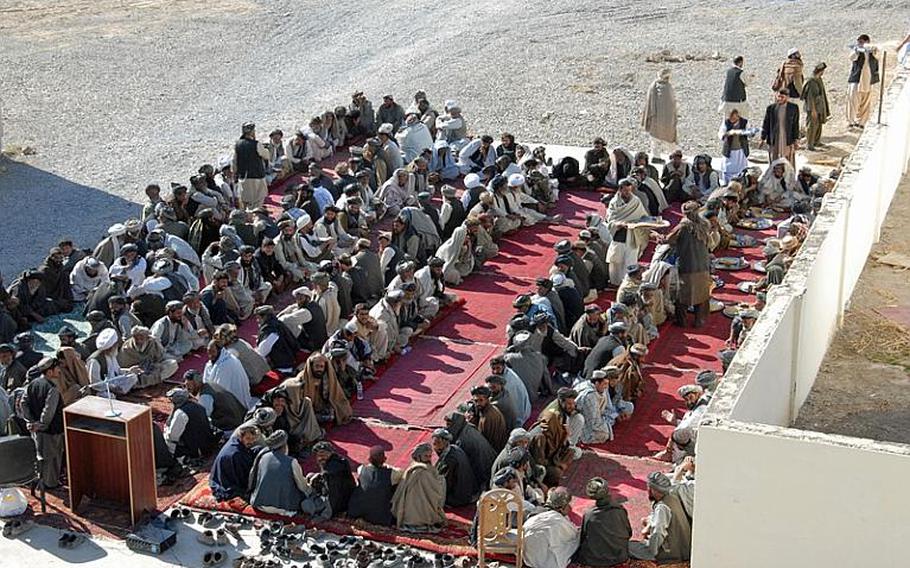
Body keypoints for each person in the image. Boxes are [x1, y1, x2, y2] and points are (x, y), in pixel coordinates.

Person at [248, 430, 327, 518]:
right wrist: (312, 489)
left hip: (260, 505)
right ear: (285, 446)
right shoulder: (291, 462)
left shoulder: (264, 456)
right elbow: (302, 487)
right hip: (283, 508)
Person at [665, 202, 712, 327]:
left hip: (687, 265)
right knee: (701, 294)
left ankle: (682, 321)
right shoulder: (705, 224)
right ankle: (699, 320)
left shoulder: (683, 226)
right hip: (703, 264)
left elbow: (669, 239)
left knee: (683, 294)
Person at [629, 472, 692, 563]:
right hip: (684, 548)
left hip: (672, 553)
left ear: (653, 490)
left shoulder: (662, 508)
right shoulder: (673, 496)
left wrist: (651, 552)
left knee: (628, 547)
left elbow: (658, 533)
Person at [22, 357, 65, 489]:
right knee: (52, 458)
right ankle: (51, 484)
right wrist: (41, 424)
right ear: (49, 371)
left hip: (36, 430)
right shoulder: (52, 388)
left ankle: (42, 480)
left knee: (40, 455)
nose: (59, 370)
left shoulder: (33, 384)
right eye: (56, 368)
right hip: (51, 431)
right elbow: (48, 412)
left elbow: (24, 403)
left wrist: (31, 422)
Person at [575, 477, 632, 567]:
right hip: (619, 557)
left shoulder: (589, 515)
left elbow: (583, 536)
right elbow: (629, 533)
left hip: (594, 560)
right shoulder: (620, 510)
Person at [391, 443, 447, 533]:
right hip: (418, 512)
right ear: (419, 456)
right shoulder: (422, 472)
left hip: (412, 512)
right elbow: (434, 492)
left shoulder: (414, 467)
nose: (429, 458)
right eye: (426, 456)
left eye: (430, 456)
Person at [529, 388, 580, 485]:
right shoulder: (541, 436)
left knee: (573, 452)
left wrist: (565, 435)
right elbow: (539, 462)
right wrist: (556, 464)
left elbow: (559, 444)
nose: (572, 406)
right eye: (569, 404)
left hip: (550, 456)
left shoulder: (555, 425)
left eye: (573, 404)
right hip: (541, 464)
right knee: (556, 473)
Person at [283, 352, 352, 425]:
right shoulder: (302, 378)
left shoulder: (328, 377)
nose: (319, 369)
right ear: (312, 366)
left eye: (321, 367)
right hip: (308, 410)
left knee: (340, 412)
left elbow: (337, 396)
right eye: (317, 366)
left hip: (322, 406)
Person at [605, 179, 650, 286]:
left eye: (629, 191)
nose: (628, 194)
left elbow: (643, 216)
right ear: (620, 190)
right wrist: (618, 224)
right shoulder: (614, 203)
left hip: (633, 235)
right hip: (619, 235)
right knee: (616, 261)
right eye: (625, 191)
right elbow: (610, 219)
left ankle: (629, 283)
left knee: (630, 262)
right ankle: (615, 282)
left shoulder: (636, 201)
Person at [522, 487, 580, 568]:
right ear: (561, 508)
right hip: (546, 563)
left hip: (529, 559)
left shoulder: (535, 512)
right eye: (567, 505)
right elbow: (573, 536)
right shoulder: (557, 520)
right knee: (575, 541)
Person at [348, 446, 402, 526]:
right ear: (384, 459)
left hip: (357, 510)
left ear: (369, 459)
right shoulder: (392, 474)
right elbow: (401, 473)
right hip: (380, 515)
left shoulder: (361, 469)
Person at [163, 387, 218, 460]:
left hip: (195, 450)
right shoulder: (198, 406)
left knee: (166, 442)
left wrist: (165, 431)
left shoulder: (181, 413)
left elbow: (172, 436)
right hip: (207, 445)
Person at [209, 423, 259, 501]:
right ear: (241, 437)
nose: (251, 441)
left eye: (253, 439)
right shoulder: (236, 454)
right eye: (248, 438)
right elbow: (243, 476)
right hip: (227, 481)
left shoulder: (237, 442)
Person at [431, 428, 478, 507]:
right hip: (468, 490)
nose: (435, 447)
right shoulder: (454, 448)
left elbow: (446, 483)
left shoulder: (450, 460)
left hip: (460, 495)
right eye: (434, 444)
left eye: (438, 443)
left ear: (445, 442)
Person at [202, 340, 253, 409]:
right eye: (208, 352)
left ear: (220, 350)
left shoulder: (225, 365)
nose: (210, 355)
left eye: (213, 352)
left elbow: (220, 390)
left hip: (237, 401)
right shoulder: (218, 360)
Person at [640, 68, 678, 162]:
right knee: (667, 138)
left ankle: (661, 156)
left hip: (657, 119)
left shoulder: (654, 86)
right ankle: (672, 156)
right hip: (663, 120)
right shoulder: (666, 87)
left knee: (656, 139)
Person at [232, 122, 270, 210]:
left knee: (245, 202)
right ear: (252, 132)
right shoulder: (256, 144)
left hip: (243, 178)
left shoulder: (238, 145)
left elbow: (234, 162)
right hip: (257, 177)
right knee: (257, 202)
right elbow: (266, 155)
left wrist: (235, 175)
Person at [847, 34, 880, 128]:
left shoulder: (872, 51)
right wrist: (858, 50)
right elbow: (851, 57)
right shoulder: (856, 51)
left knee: (866, 103)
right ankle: (851, 122)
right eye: (859, 42)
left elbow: (878, 52)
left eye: (861, 42)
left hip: (868, 81)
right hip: (857, 80)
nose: (859, 44)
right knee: (853, 102)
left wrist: (868, 48)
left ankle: (861, 122)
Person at [761, 89, 800, 168]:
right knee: (774, 158)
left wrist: (796, 139)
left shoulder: (793, 108)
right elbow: (766, 124)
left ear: (787, 97)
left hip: (787, 138)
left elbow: (795, 124)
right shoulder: (771, 108)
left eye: (782, 97)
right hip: (775, 138)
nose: (780, 99)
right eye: (778, 96)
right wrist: (762, 138)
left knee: (788, 159)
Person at [718, 109, 754, 184]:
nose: (733, 120)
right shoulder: (726, 123)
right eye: (732, 118)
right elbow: (721, 133)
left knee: (741, 168)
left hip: (740, 149)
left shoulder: (744, 122)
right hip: (729, 149)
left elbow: (750, 132)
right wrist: (728, 134)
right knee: (728, 168)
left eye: (734, 118)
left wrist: (743, 132)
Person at [802, 62, 830, 150]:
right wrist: (813, 110)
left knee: (818, 125)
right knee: (812, 126)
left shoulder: (818, 79)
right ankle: (809, 144)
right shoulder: (811, 82)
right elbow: (810, 98)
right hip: (813, 108)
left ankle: (816, 141)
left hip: (819, 107)